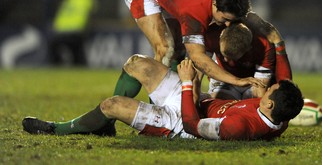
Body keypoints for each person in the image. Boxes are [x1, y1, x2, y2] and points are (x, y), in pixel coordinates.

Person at [22, 55, 304, 140]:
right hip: (193, 97)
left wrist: (186, 84)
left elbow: (193, 126)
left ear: (269, 103)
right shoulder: (276, 113)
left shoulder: (240, 127)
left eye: (269, 91)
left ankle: (56, 130)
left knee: (110, 105)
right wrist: (195, 86)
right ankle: (105, 126)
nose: (265, 89)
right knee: (136, 63)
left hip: (178, 122)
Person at [122, 0, 261, 88]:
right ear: (214, 4)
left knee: (180, 49)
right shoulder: (194, 12)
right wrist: (236, 80)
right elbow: (197, 58)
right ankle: (158, 106)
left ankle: (178, 98)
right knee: (165, 49)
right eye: (225, 19)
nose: (227, 24)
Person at [203, 14, 293, 100]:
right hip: (225, 78)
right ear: (220, 37)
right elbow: (198, 70)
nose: (226, 60)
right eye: (224, 55)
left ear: (248, 49)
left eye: (232, 58)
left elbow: (260, 91)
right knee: (222, 106)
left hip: (253, 80)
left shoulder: (263, 45)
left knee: (256, 105)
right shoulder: (212, 34)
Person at [49, 0, 96, 66]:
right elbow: (91, 12)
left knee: (55, 47)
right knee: (77, 53)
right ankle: (80, 68)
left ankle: (56, 67)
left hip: (62, 31)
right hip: (77, 30)